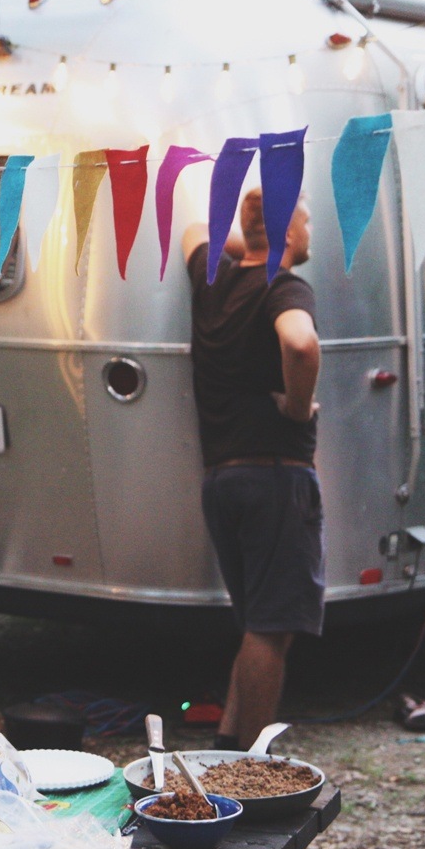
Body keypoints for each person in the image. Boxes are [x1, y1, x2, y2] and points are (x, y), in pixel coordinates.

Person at [181, 190, 322, 751]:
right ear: (289, 233)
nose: (311, 234)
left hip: (223, 480)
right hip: (274, 476)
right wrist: (296, 404)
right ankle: (255, 766)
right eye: (306, 223)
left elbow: (194, 226)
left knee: (257, 624)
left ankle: (227, 745)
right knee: (272, 628)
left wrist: (254, 229)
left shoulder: (212, 279)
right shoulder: (284, 286)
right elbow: (301, 342)